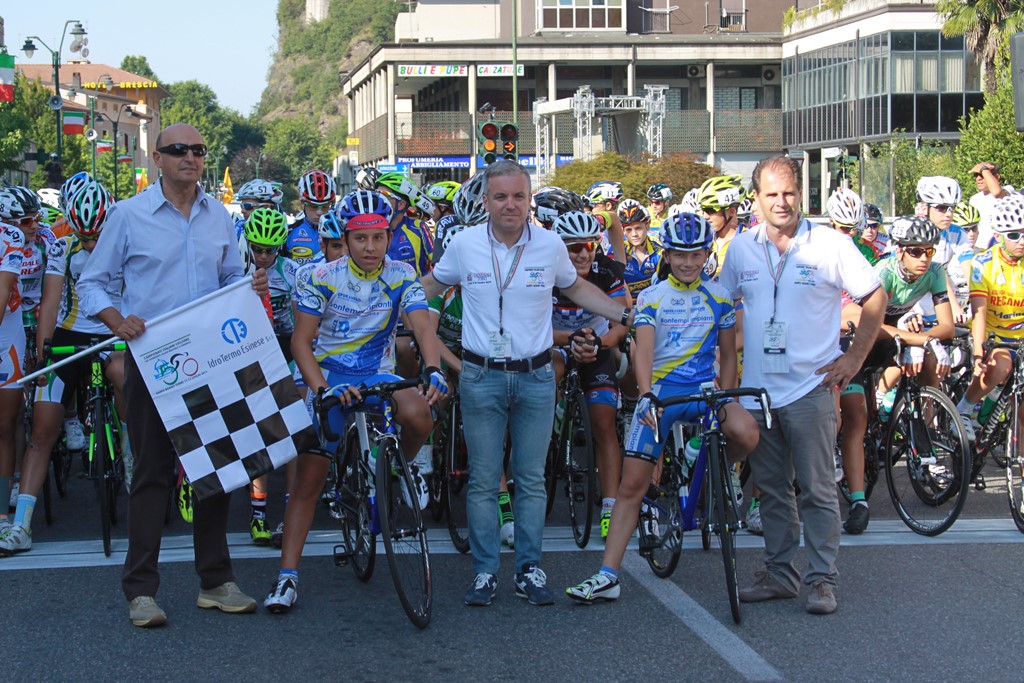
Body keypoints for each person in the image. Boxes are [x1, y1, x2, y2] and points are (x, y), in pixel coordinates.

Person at [77, 123, 268, 628]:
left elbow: (230, 278)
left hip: (211, 359)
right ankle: (141, 591)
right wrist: (117, 320)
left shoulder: (219, 216)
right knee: (152, 473)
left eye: (198, 150)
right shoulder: (128, 215)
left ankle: (215, 582)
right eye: (179, 149)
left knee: (218, 469)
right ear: (157, 158)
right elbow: (92, 283)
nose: (190, 157)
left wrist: (248, 286)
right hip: (153, 360)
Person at [420, 160, 636, 607]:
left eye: (519, 196)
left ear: (529, 200)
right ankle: (484, 572)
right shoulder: (464, 244)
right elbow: (431, 287)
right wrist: (386, 302)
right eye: (500, 196)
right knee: (483, 481)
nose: (510, 205)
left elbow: (577, 288)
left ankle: (528, 569)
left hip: (537, 375)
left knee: (532, 479)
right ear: (486, 201)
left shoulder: (550, 245)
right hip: (481, 374)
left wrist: (626, 314)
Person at [718, 155, 886, 616]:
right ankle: (780, 574)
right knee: (772, 490)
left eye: (789, 192)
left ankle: (822, 580)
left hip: (811, 389)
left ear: (802, 195)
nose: (781, 202)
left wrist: (854, 358)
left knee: (816, 490)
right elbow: (720, 306)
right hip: (758, 393)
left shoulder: (830, 243)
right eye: (771, 194)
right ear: (756, 198)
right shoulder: (741, 249)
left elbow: (875, 296)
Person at [566, 212, 759, 602]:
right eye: (680, 255)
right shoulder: (652, 297)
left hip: (704, 392)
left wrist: (728, 397)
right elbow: (644, 350)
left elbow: (727, 355)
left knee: (747, 431)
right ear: (667, 256)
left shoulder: (720, 296)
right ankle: (607, 575)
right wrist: (646, 394)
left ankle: (702, 454)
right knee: (631, 486)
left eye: (696, 254)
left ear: (707, 255)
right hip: (662, 393)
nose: (688, 263)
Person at [263, 211, 447, 613]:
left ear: (388, 239)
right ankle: (287, 577)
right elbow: (300, 343)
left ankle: (397, 469)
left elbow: (422, 328)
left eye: (378, 238)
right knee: (309, 480)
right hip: (330, 375)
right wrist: (323, 390)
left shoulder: (401, 274)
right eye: (360, 239)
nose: (370, 247)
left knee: (421, 414)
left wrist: (433, 368)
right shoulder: (321, 277)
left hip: (377, 372)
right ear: (345, 242)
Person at [2, 180, 127, 556]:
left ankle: (129, 444)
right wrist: (44, 353)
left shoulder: (128, 243)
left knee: (123, 377)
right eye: (84, 237)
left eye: (96, 237)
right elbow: (51, 300)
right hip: (68, 336)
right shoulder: (62, 246)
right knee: (42, 430)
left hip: (112, 335)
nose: (90, 245)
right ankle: (21, 525)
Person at [550, 211, 630, 540]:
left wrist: (600, 344)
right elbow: (530, 326)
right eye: (574, 247)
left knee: (604, 423)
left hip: (596, 345)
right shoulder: (543, 270)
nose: (584, 254)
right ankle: (553, 417)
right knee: (552, 370)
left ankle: (610, 507)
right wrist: (569, 341)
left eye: (590, 245)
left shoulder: (606, 270)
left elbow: (622, 321)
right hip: (556, 344)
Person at [956, 194, 1024, 430]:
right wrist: (978, 354)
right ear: (998, 236)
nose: (1022, 241)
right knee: (1001, 366)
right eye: (1014, 235)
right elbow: (979, 313)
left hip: (1020, 337)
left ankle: (994, 401)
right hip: (994, 335)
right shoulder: (983, 263)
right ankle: (964, 409)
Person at [288, 170, 335, 265]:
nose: (319, 212)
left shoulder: (341, 231)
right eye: (313, 206)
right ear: (302, 203)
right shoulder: (289, 232)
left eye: (325, 206)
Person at [968, 162, 1014, 251]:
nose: (978, 179)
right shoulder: (974, 199)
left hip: (1000, 249)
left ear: (997, 177)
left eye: (983, 175)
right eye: (976, 175)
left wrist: (984, 168)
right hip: (980, 249)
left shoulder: (1008, 190)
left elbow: (997, 192)